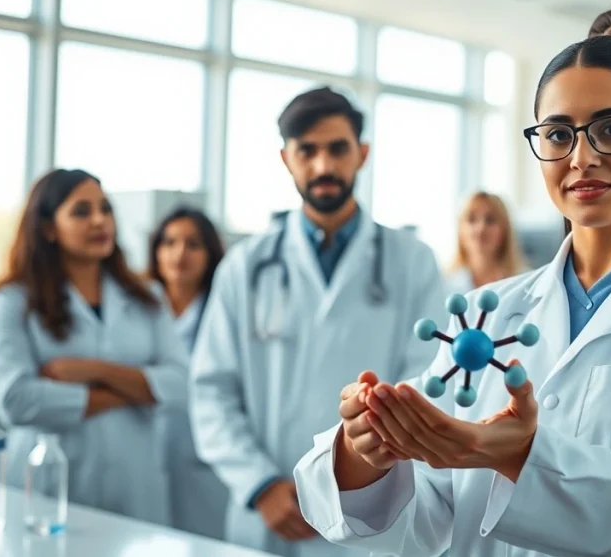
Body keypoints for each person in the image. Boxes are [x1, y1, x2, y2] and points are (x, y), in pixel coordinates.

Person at [292, 9, 611, 557]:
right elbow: (429, 516)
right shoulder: (487, 309)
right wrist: (367, 454)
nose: (582, 157)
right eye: (557, 134)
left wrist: (514, 454)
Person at [190, 86, 447, 557]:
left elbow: (428, 381)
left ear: (362, 154)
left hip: (368, 503)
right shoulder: (246, 266)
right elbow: (211, 390)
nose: (323, 166)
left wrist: (357, 477)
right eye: (307, 151)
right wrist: (262, 486)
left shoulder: (413, 263)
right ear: (286, 159)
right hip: (267, 515)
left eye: (337, 149)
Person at [0, 168, 188, 525]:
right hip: (47, 492)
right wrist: (134, 391)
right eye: (81, 211)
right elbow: (15, 400)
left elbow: (181, 384)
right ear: (47, 228)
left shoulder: (147, 297)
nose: (99, 221)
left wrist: (90, 371)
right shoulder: (12, 301)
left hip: (135, 487)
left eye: (105, 209)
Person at [147, 207, 230, 539]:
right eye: (169, 242)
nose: (180, 253)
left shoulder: (222, 313)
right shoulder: (138, 309)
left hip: (203, 456)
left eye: (193, 244)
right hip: (143, 449)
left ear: (210, 255)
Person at [445, 191, 527, 294]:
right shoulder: (445, 284)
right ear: (460, 230)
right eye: (471, 219)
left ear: (505, 230)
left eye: (490, 220)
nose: (481, 228)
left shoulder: (526, 283)